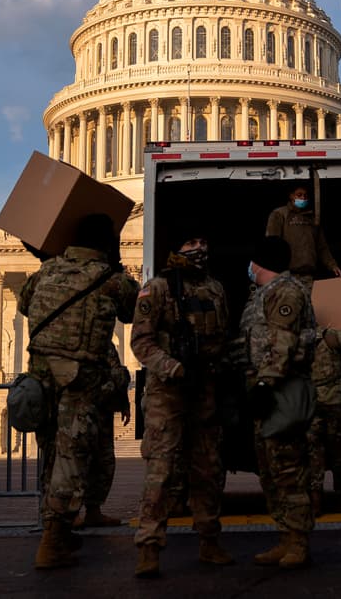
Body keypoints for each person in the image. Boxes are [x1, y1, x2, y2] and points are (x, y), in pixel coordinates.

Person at [18, 214, 138, 570]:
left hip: (39, 378)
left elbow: (25, 305)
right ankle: (52, 539)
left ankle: (54, 528)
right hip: (79, 381)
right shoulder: (110, 279)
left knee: (51, 457)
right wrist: (117, 267)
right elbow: (133, 313)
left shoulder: (44, 273)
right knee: (71, 460)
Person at [130, 234, 232, 578]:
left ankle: (209, 539)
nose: (199, 249)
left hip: (204, 387)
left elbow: (222, 338)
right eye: (191, 244)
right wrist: (171, 366)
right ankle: (148, 546)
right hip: (167, 391)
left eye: (203, 242)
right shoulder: (156, 288)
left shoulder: (216, 289)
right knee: (160, 472)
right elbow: (141, 341)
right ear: (177, 249)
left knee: (208, 469)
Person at [240, 236, 317, 569]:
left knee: (288, 471)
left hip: (280, 390)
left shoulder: (285, 292)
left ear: (260, 263)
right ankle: (285, 536)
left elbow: (282, 345)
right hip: (266, 389)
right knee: (270, 472)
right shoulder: (265, 294)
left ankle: (298, 541)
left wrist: (263, 383)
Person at [75, 341, 130, 531]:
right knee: (80, 461)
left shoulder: (107, 342)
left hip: (104, 409)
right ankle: (70, 513)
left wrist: (124, 402)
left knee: (105, 462)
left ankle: (93, 511)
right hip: (81, 409)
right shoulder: (80, 338)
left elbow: (116, 371)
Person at [307, 324, 341, 514]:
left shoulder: (328, 334)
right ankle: (323, 500)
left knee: (336, 453)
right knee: (323, 453)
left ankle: (338, 498)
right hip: (323, 401)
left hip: (328, 401)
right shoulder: (311, 335)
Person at [265, 184, 341, 283]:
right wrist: (272, 270)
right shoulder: (279, 214)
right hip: (286, 275)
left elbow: (322, 247)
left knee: (307, 297)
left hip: (308, 275)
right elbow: (271, 244)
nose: (303, 198)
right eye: (299, 195)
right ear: (291, 195)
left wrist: (332, 265)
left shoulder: (312, 218)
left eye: (305, 195)